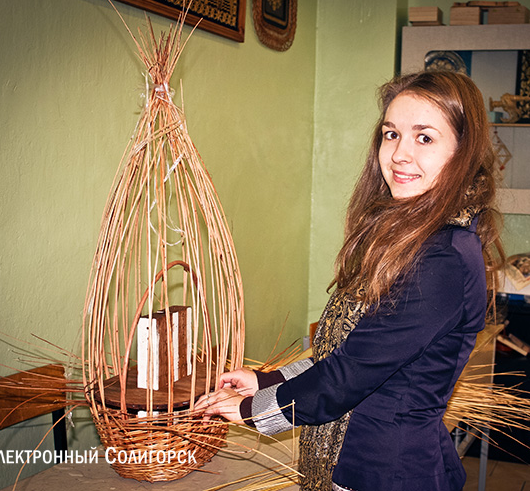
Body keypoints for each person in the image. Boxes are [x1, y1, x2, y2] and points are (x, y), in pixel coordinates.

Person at [195, 70, 504, 491]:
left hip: (386, 474)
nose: (400, 154)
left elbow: (348, 375)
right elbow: (352, 349)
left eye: (424, 138)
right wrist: (269, 380)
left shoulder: (442, 258)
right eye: (391, 134)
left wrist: (252, 408)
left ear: (463, 152)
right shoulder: (407, 235)